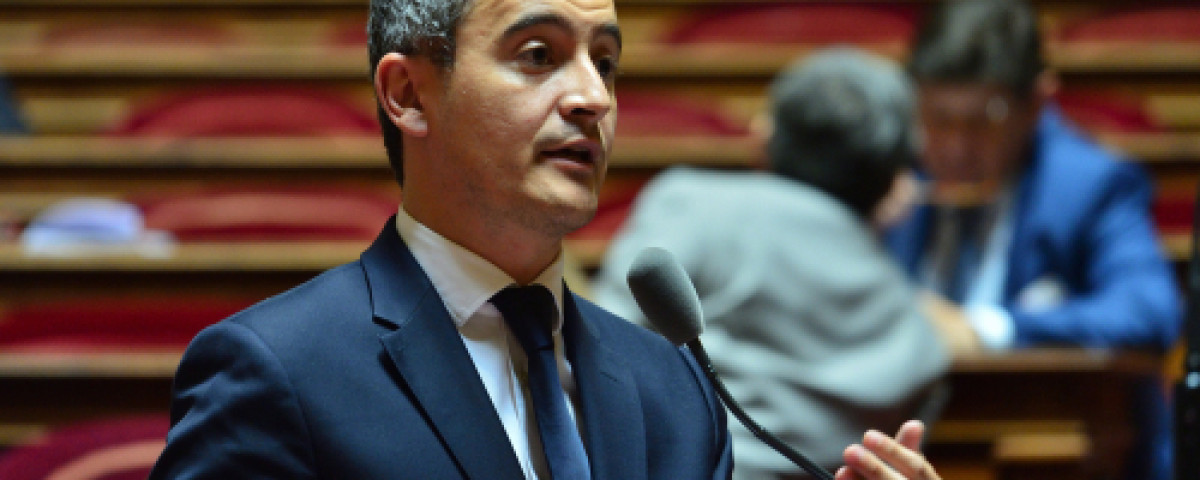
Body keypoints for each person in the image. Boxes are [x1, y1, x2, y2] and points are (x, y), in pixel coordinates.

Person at [150, 0, 945, 479]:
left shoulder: (674, 390)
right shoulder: (281, 371)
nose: (594, 98)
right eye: (539, 56)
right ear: (409, 93)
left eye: (606, 61)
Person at [592, 48, 950, 479]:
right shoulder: (917, 336)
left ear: (764, 140)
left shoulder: (690, 203)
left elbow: (600, 352)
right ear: (894, 182)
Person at [886, 1, 1181, 478]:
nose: (956, 147)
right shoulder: (887, 174)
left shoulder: (1090, 184)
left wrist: (984, 330)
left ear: (1037, 103)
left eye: (983, 120)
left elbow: (1149, 311)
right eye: (938, 118)